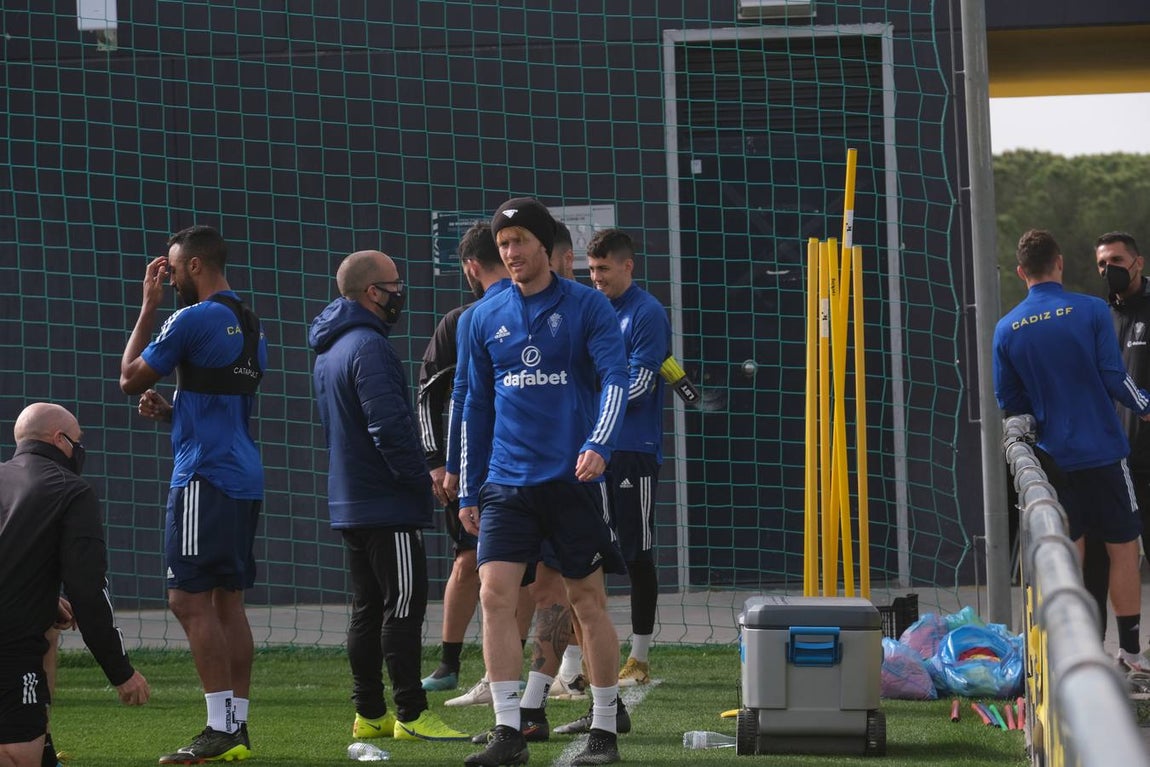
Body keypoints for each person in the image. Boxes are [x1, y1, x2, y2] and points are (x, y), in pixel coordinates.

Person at [459, 197, 630, 767]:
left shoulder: (587, 307)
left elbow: (615, 378)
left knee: (586, 602)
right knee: (495, 595)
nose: (510, 253)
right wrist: (468, 487)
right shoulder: (483, 315)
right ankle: (509, 730)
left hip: (572, 478)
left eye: (520, 243)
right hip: (506, 485)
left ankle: (604, 726)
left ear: (546, 247)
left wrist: (598, 444)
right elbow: (474, 405)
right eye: (503, 244)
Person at [308, 249, 469, 743]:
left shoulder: (329, 347)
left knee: (367, 607)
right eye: (395, 283)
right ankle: (412, 713)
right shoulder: (369, 346)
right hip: (387, 503)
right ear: (373, 292)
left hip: (351, 501)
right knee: (403, 605)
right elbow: (389, 428)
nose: (402, 292)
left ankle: (370, 713)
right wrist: (424, 476)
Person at [120, 225, 265, 764]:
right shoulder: (250, 324)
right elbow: (223, 403)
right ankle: (237, 729)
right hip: (243, 475)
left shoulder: (191, 315)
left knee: (186, 598)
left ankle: (218, 727)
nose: (170, 276)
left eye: (174, 269)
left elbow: (130, 378)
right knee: (228, 601)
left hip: (203, 476)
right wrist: (176, 409)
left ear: (196, 266)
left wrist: (148, 305)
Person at [993, 228, 1150, 672]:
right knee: (1124, 551)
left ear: (1022, 272)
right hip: (1103, 452)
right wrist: (1143, 407)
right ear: (1059, 262)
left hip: (1054, 459)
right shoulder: (1091, 309)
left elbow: (1012, 405)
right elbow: (1113, 376)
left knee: (1072, 555)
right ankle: (1131, 653)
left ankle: (1081, 653)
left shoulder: (1006, 329)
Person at [416, 225, 535, 697]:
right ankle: (451, 663)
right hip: (475, 471)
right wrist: (440, 462)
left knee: (527, 574)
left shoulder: (538, 312)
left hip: (521, 472)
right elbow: (433, 395)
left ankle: (515, 673)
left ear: (469, 266)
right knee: (472, 564)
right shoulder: (462, 321)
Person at [0, 403, 150, 767]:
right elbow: (88, 593)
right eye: (78, 441)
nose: (80, 449)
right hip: (10, 648)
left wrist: (47, 598)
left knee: (50, 630)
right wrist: (121, 672)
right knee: (17, 755)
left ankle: (46, 748)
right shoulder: (71, 491)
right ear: (59, 440)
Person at [586, 228, 671, 688]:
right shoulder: (592, 309)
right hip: (591, 451)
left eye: (604, 269)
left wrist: (591, 403)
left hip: (633, 451)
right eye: (592, 269)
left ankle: (638, 658)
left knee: (636, 552)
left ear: (627, 266)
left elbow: (640, 385)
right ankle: (579, 662)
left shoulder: (647, 313)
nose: (596, 278)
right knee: (586, 552)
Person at [1085, 232, 1150, 637]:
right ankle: (1098, 652)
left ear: (1138, 262)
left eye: (1116, 260)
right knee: (1097, 561)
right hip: (1109, 462)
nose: (1108, 270)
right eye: (1102, 264)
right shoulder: (1097, 316)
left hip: (1148, 464)